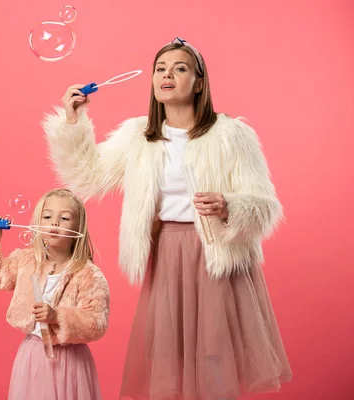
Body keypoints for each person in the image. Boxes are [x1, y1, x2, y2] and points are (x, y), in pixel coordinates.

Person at [41, 37, 292, 399]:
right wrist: (72, 121)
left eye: (180, 68)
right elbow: (88, 176)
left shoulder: (231, 135)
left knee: (213, 359)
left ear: (200, 82)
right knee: (170, 362)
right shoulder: (138, 136)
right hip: (168, 256)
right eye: (161, 68)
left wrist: (229, 206)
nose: (167, 75)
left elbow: (266, 205)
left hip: (215, 256)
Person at [0, 188, 109, 400]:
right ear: (38, 222)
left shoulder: (88, 274)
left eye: (64, 218)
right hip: (33, 357)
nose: (54, 223)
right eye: (48, 216)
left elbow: (96, 322)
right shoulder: (26, 261)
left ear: (78, 227)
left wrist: (57, 316)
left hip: (70, 362)